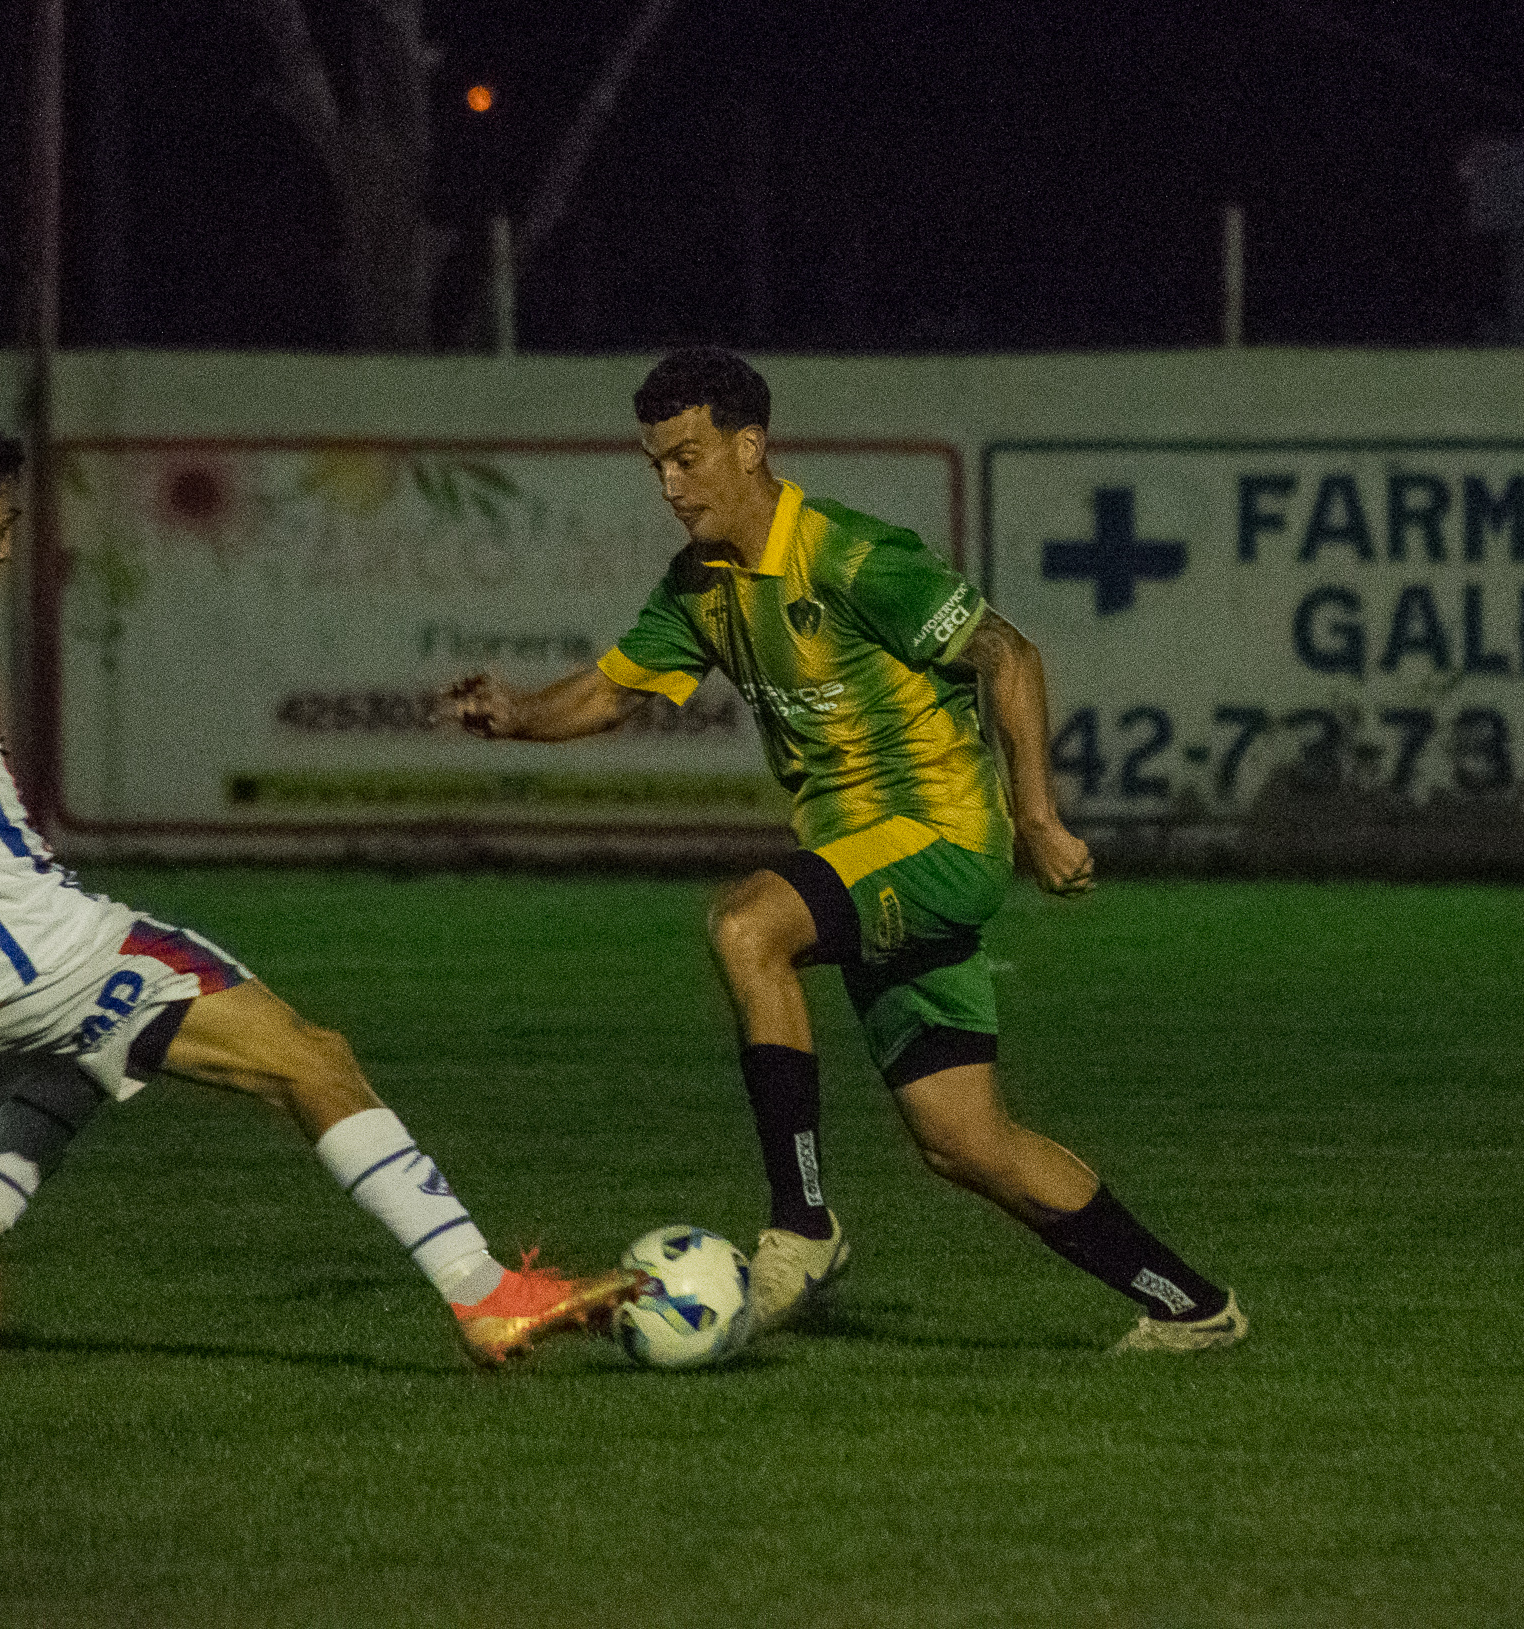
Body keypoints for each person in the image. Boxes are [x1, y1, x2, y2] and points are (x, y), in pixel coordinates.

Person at [0, 410, 642, 1370]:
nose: (9, 548)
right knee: (313, 1059)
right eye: (1, 525)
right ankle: (485, 1294)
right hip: (30, 945)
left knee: (85, 1057)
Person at [448, 348, 1245, 1353]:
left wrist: (1036, 819)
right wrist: (516, 715)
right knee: (964, 1142)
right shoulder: (700, 585)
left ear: (749, 446)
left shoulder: (851, 557)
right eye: (655, 464)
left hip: (939, 841)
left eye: (688, 458)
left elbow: (1009, 653)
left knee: (747, 927)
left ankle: (802, 1224)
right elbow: (615, 688)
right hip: (868, 867)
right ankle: (1189, 1305)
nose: (670, 484)